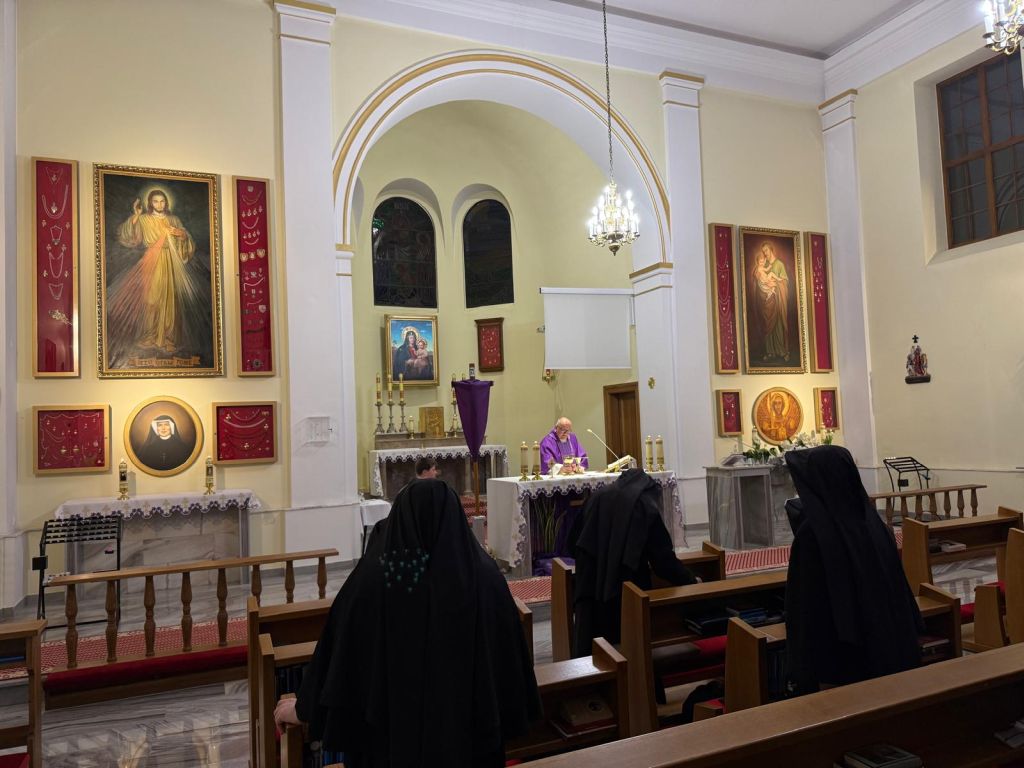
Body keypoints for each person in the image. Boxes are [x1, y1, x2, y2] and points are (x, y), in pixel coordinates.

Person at [273, 478, 540, 766]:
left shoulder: (374, 581)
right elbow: (509, 665)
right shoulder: (485, 578)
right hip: (469, 749)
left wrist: (303, 709)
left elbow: (339, 655)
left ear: (399, 518)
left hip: (387, 749)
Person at [784, 446, 923, 695]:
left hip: (841, 662)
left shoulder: (813, 536)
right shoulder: (876, 524)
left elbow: (804, 607)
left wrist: (800, 668)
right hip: (889, 646)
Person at [569, 468, 696, 657]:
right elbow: (663, 561)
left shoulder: (596, 496)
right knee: (629, 655)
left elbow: (573, 543)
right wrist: (690, 581)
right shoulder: (644, 504)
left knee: (590, 653)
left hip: (588, 587)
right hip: (626, 591)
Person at [106, 189, 209, 363]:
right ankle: (151, 335)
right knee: (151, 298)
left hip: (171, 261)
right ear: (150, 203)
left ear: (166, 203)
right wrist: (136, 216)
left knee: (170, 299)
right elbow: (128, 237)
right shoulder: (144, 219)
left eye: (162, 201)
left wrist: (181, 234)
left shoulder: (173, 220)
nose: (159, 204)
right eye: (155, 201)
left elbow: (186, 240)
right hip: (152, 260)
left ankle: (168, 338)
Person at [752, 241, 790, 362]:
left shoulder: (779, 264)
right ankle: (770, 352)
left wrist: (776, 284)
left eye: (766, 250)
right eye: (763, 252)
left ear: (771, 250)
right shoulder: (764, 264)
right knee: (768, 325)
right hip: (767, 301)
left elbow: (785, 282)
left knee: (778, 325)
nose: (765, 253)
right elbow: (758, 278)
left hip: (777, 300)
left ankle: (782, 351)